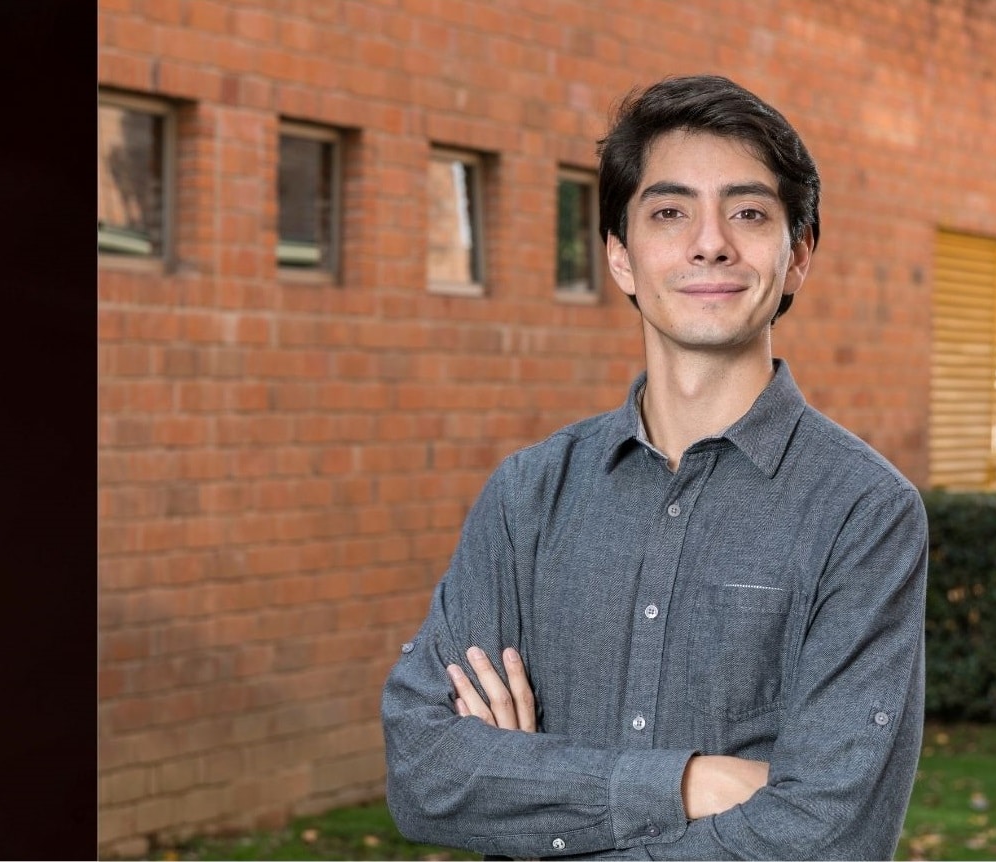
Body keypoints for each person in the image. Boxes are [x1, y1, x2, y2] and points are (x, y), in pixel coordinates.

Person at [381, 74, 926, 859]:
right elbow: (426, 770)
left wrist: (531, 785)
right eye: (670, 213)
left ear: (797, 256)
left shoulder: (862, 511)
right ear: (621, 258)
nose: (711, 242)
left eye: (748, 212)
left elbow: (827, 834)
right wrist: (687, 782)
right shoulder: (529, 496)